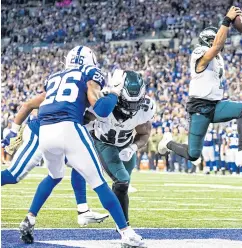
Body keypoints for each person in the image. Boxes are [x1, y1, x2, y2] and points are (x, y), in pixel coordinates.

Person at [18, 46, 145, 248]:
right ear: (90, 60)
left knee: (54, 176)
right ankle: (126, 233)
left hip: (46, 131)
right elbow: (102, 110)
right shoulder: (89, 74)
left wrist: (16, 127)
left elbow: (37, 104)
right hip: (68, 129)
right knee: (99, 183)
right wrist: (112, 92)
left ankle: (30, 219)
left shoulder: (54, 76)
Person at [158, 6, 242, 168]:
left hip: (215, 104)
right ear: (209, 40)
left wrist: (235, 24)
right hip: (199, 106)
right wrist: (226, 20)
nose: (221, 40)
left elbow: (219, 45)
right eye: (216, 38)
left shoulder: (218, 59)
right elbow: (216, 46)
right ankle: (168, 143)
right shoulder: (200, 52)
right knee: (193, 154)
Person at [1, 95, 109, 227]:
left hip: (59, 137)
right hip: (40, 133)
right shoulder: (65, 90)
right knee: (13, 176)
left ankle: (82, 210)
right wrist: (14, 130)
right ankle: (82, 211)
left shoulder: (87, 94)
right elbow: (28, 105)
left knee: (77, 166)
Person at [88, 70, 155, 227]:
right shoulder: (103, 101)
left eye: (136, 102)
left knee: (125, 178)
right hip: (105, 143)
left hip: (125, 144)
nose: (132, 108)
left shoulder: (145, 107)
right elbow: (83, 121)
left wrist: (132, 147)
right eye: (128, 102)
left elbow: (144, 134)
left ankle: (121, 221)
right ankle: (124, 227)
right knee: (122, 181)